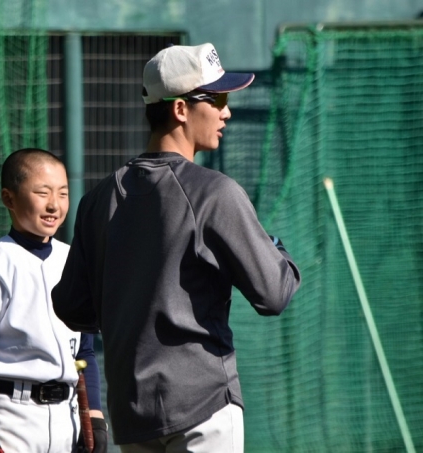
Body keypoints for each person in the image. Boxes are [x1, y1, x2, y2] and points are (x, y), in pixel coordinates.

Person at [51, 43, 302, 453]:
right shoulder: (214, 192)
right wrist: (276, 248)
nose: (226, 112)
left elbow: (72, 308)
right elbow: (274, 292)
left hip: (133, 414)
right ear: (181, 109)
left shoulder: (97, 200)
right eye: (217, 99)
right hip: (203, 408)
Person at [0, 148, 107, 453]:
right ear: (9, 199)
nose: (54, 204)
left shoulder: (73, 260)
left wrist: (96, 418)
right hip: (11, 419)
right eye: (42, 192)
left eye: (63, 193)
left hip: (68, 418)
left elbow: (85, 352)